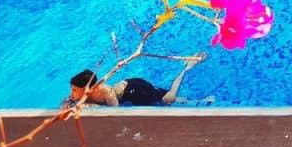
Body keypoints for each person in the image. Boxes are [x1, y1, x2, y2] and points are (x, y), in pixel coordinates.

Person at [66, 56, 203, 107]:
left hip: (135, 91)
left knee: (169, 99)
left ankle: (188, 67)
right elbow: (66, 103)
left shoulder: (107, 94)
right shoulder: (84, 92)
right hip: (127, 85)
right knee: (166, 97)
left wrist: (95, 107)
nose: (72, 93)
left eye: (74, 90)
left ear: (88, 88)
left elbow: (116, 114)